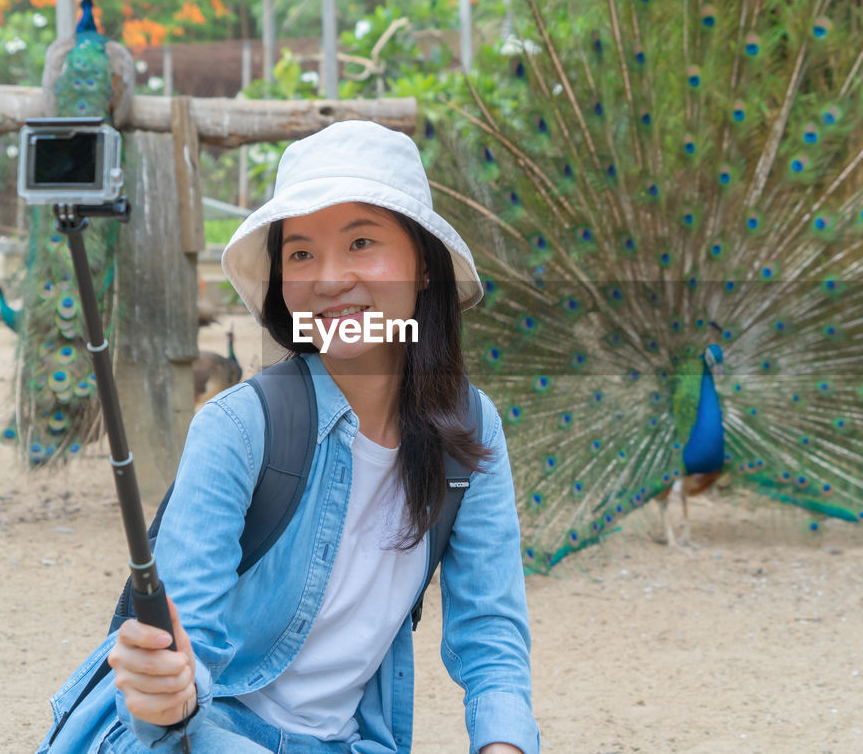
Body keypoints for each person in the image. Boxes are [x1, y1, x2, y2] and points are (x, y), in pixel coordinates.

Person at [38, 120, 538, 754]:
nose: (328, 279)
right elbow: (184, 663)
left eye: (362, 242)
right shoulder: (237, 429)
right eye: (301, 253)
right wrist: (164, 685)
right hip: (207, 732)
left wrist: (504, 747)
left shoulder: (471, 429)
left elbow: (491, 636)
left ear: (425, 270)